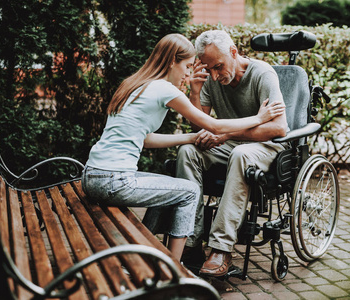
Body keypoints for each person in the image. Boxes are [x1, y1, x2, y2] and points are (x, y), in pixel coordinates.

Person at [81, 33, 284, 261]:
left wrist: (190, 138)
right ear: (171, 63)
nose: (189, 74)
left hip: (91, 174)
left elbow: (146, 139)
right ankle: (174, 266)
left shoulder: (134, 84)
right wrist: (258, 118)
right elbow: (211, 126)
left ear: (234, 52)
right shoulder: (165, 89)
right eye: (188, 66)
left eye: (192, 67)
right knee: (188, 190)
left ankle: (149, 255)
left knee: (168, 189)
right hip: (114, 180)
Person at [176, 30, 288, 275]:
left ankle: (221, 248)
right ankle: (191, 240)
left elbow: (279, 127)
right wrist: (195, 92)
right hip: (232, 143)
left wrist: (226, 134)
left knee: (242, 155)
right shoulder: (210, 78)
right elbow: (199, 125)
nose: (215, 76)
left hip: (267, 147)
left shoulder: (262, 74)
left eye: (218, 66)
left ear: (234, 52)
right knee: (187, 151)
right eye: (209, 69)